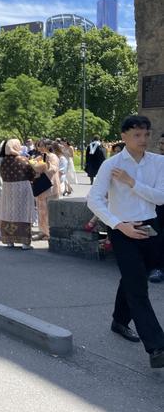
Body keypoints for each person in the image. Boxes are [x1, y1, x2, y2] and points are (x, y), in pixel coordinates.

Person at [87, 115, 164, 368]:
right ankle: (157, 347)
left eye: (146, 135)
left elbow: (161, 198)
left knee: (134, 278)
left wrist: (132, 183)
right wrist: (119, 225)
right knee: (137, 288)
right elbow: (94, 200)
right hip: (122, 230)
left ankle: (119, 320)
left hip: (151, 227)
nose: (143, 140)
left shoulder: (159, 162)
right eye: (136, 135)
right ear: (124, 136)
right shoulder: (111, 165)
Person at [0, 139, 39, 250]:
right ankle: (25, 243)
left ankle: (9, 241)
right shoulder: (23, 160)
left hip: (8, 189)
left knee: (9, 212)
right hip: (22, 189)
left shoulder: (3, 161)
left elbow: (2, 175)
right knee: (24, 212)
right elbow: (32, 174)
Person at [33, 139, 60, 241]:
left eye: (42, 145)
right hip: (41, 186)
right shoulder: (41, 156)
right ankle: (42, 231)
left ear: (48, 146)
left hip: (50, 186)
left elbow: (53, 169)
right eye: (39, 146)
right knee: (41, 210)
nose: (40, 148)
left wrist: (45, 166)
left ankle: (50, 233)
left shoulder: (53, 156)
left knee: (49, 211)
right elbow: (34, 166)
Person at [148, 133, 164, 283]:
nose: (161, 147)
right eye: (160, 144)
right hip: (159, 206)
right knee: (158, 237)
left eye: (163, 144)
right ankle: (157, 268)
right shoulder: (157, 163)